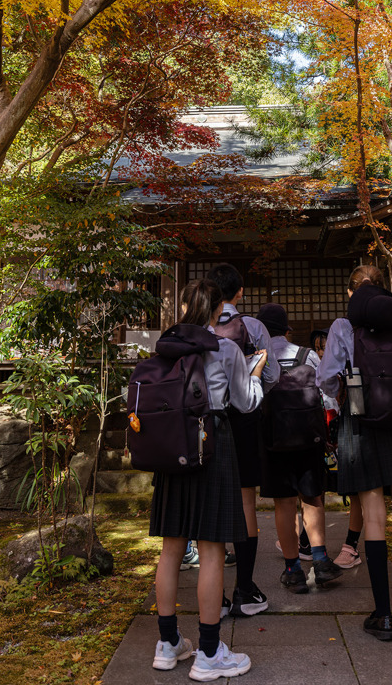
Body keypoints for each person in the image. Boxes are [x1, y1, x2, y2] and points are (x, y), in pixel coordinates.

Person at [150, 278, 267, 680]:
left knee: (171, 548)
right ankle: (210, 652)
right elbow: (245, 402)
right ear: (221, 309)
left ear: (184, 306)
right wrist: (256, 376)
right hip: (212, 446)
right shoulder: (227, 348)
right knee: (212, 548)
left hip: (171, 449)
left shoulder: (164, 348)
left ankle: (167, 643)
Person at [318, 265, 392, 641]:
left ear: (352, 293)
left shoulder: (343, 328)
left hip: (363, 424)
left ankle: (383, 615)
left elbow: (325, 377)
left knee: (373, 517)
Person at [206, 263, 280, 617]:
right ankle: (245, 590)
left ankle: (215, 596)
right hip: (245, 420)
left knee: (215, 503)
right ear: (238, 292)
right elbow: (274, 374)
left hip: (209, 423)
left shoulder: (198, 327)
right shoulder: (251, 326)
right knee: (245, 503)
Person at [256, 302, 342, 594]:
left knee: (284, 503)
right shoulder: (308, 356)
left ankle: (292, 569)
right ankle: (320, 561)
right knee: (312, 497)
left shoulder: (258, 358)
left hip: (273, 439)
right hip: (309, 439)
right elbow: (328, 397)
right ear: (288, 330)